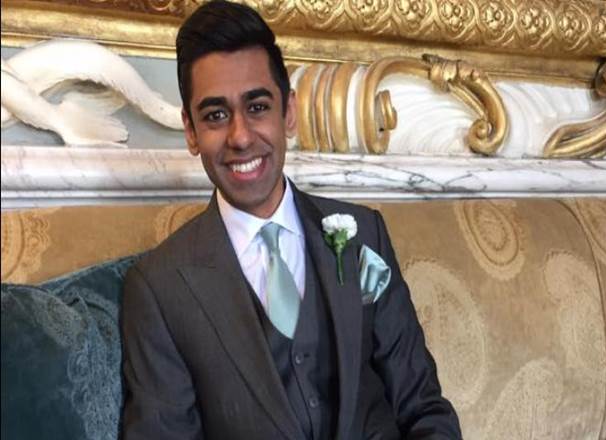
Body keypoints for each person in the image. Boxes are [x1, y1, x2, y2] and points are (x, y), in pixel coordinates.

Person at [120, 1, 461, 439]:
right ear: (191, 131)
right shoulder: (158, 289)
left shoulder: (365, 235)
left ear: (289, 113)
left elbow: (423, 407)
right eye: (216, 115)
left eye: (258, 107)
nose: (240, 136)